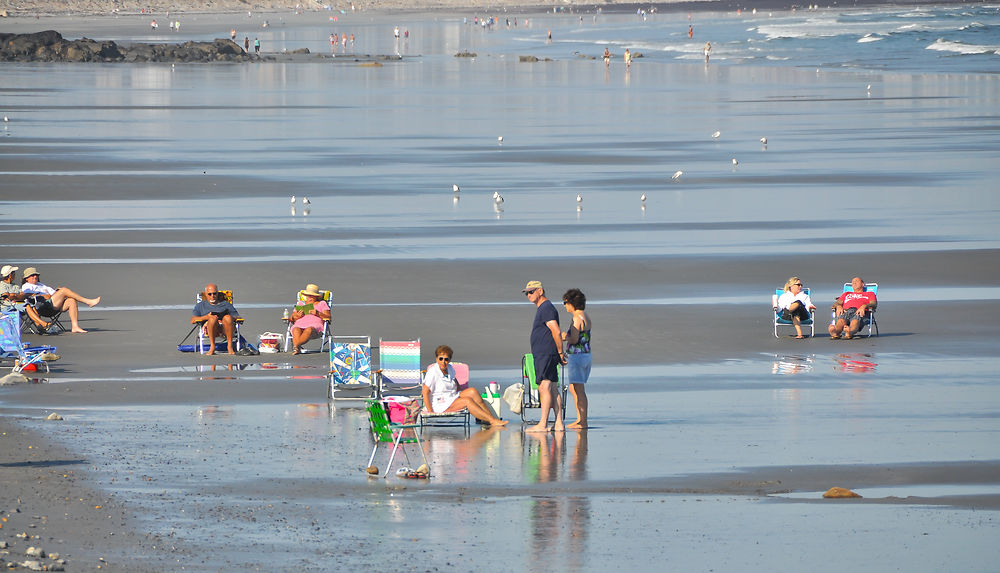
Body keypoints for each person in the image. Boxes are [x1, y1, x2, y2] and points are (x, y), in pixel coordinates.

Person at [421, 345, 507, 426]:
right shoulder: (433, 372)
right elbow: (425, 392)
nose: (443, 362)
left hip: (451, 397)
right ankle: (492, 420)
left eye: (446, 359)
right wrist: (430, 411)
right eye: (441, 359)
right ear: (436, 359)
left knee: (472, 391)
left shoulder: (450, 368)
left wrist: (459, 390)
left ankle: (489, 418)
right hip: (440, 404)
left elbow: (454, 380)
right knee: (467, 401)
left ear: (449, 360)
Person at [524, 280, 565, 433]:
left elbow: (555, 330)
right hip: (546, 352)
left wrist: (560, 352)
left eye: (531, 291)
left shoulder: (546, 307)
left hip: (546, 353)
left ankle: (543, 424)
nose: (529, 295)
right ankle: (559, 423)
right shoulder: (543, 308)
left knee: (544, 386)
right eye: (527, 292)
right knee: (553, 387)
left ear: (540, 291)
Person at [20, 267, 101, 333]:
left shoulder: (41, 285)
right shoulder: (26, 286)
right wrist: (44, 295)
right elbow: (29, 296)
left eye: (36, 275)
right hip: (42, 307)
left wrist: (57, 292)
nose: (35, 277)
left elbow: (53, 293)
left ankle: (75, 326)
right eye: (32, 275)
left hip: (53, 305)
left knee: (71, 300)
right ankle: (88, 301)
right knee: (64, 290)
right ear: (26, 278)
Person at [561, 288, 591, 429]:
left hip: (577, 357)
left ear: (572, 303)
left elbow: (573, 339)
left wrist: (563, 337)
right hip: (586, 355)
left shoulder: (576, 319)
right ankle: (581, 419)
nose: (565, 306)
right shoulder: (586, 316)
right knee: (576, 388)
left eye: (565, 303)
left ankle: (582, 421)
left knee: (578, 390)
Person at [191, 283, 241, 355]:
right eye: (209, 294)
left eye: (214, 294)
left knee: (227, 318)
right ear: (205, 294)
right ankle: (212, 347)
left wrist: (226, 317)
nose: (212, 296)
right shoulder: (200, 305)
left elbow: (237, 317)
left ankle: (229, 346)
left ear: (217, 293)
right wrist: (207, 317)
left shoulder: (225, 304)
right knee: (212, 318)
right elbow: (193, 320)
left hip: (226, 328)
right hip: (209, 329)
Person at [0, 265, 49, 331]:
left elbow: (22, 296)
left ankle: (39, 326)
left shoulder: (15, 286)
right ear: (10, 275)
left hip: (17, 303)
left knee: (32, 306)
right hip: (7, 306)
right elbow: (6, 296)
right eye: (13, 273)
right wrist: (16, 295)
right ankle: (44, 324)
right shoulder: (2, 284)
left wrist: (14, 295)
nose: (15, 274)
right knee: (27, 306)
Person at [287, 283, 331, 355]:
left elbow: (328, 317)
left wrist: (317, 313)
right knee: (295, 329)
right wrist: (297, 315)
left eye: (311, 296)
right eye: (308, 295)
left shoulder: (322, 303)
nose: (309, 297)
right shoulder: (301, 304)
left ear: (316, 296)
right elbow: (292, 318)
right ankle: (297, 347)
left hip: (315, 326)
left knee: (309, 329)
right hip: (299, 324)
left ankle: (296, 346)